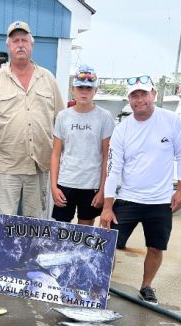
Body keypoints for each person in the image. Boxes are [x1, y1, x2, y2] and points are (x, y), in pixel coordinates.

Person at [0, 20, 64, 281]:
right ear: (9, 45)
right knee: (2, 216)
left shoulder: (47, 78)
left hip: (40, 164)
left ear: (31, 44)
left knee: (34, 218)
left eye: (24, 39)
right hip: (6, 164)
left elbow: (61, 121)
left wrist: (60, 164)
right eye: (15, 40)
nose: (20, 44)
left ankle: (28, 263)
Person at [100, 74, 181, 304]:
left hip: (160, 202)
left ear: (154, 95)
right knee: (108, 244)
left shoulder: (171, 121)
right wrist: (107, 207)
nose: (139, 99)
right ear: (129, 100)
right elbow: (113, 169)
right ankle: (101, 283)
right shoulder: (122, 129)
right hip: (128, 198)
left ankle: (146, 286)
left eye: (143, 94)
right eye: (134, 95)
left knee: (155, 247)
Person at [50, 65, 115, 225]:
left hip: (91, 185)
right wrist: (53, 186)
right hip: (66, 182)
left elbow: (108, 157)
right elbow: (56, 154)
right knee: (60, 232)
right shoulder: (63, 116)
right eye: (80, 88)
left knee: (84, 234)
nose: (84, 92)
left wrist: (102, 190)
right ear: (73, 89)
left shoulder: (105, 117)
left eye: (88, 88)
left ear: (95, 91)